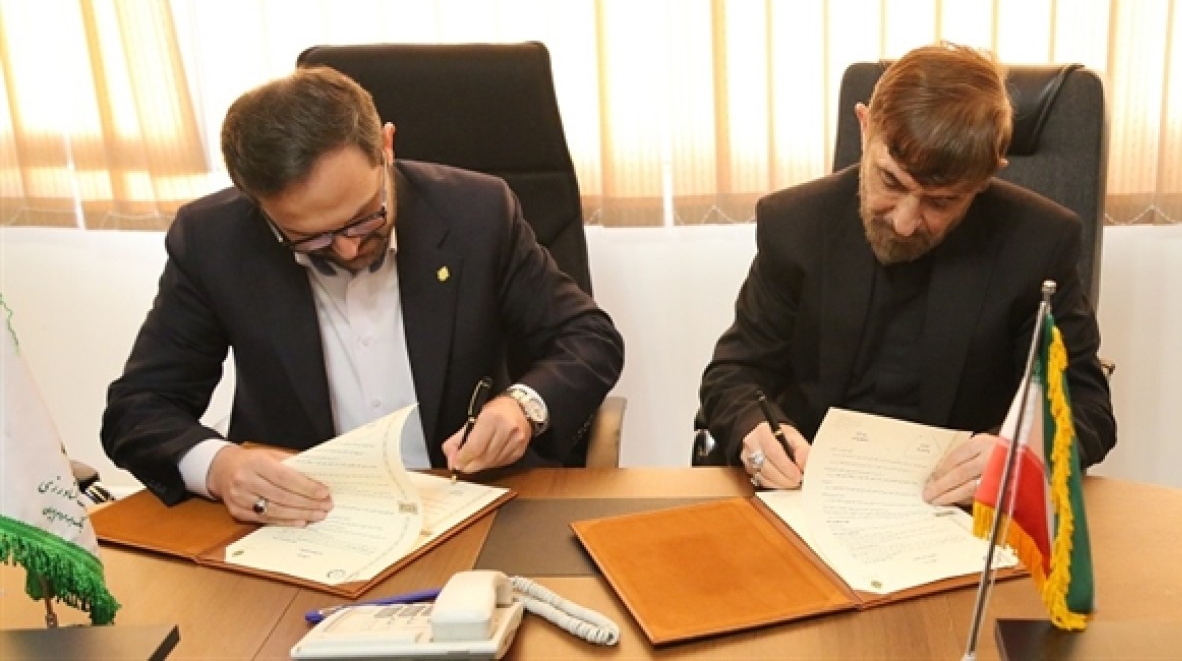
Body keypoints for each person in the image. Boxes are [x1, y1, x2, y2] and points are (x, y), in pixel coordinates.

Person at [102, 66, 625, 526]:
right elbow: (139, 408)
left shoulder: (477, 213)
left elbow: (588, 338)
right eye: (311, 239)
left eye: (365, 217)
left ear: (386, 147)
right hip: (304, 524)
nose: (349, 248)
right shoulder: (214, 241)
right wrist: (219, 467)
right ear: (258, 206)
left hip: (465, 502)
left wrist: (522, 407)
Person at [698, 43, 1116, 504]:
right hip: (808, 496)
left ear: (985, 178)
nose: (903, 223)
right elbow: (734, 374)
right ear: (864, 127)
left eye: (942, 201)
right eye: (891, 181)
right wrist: (753, 431)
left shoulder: (1038, 243)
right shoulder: (796, 224)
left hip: (954, 509)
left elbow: (1085, 404)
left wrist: (1021, 453)